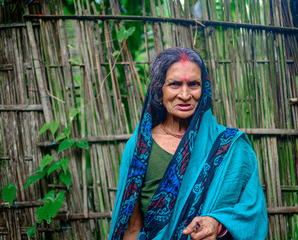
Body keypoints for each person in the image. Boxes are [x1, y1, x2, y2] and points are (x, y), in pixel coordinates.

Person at [109, 47, 268, 240]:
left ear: (205, 89)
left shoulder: (231, 146)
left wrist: (217, 224)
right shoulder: (140, 147)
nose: (185, 95)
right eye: (174, 84)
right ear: (159, 89)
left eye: (193, 84)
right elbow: (132, 228)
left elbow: (253, 213)